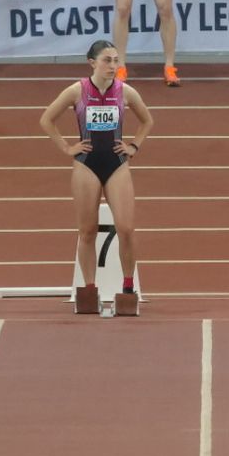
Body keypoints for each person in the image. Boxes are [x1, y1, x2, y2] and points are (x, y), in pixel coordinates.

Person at [38, 39, 154, 300]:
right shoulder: (77, 91)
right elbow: (46, 119)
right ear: (92, 63)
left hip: (116, 164)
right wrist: (67, 147)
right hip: (86, 165)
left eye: (116, 61)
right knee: (87, 230)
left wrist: (134, 146)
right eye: (107, 60)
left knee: (126, 228)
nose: (113, 66)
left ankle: (128, 287)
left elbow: (147, 121)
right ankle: (90, 289)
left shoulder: (125, 92)